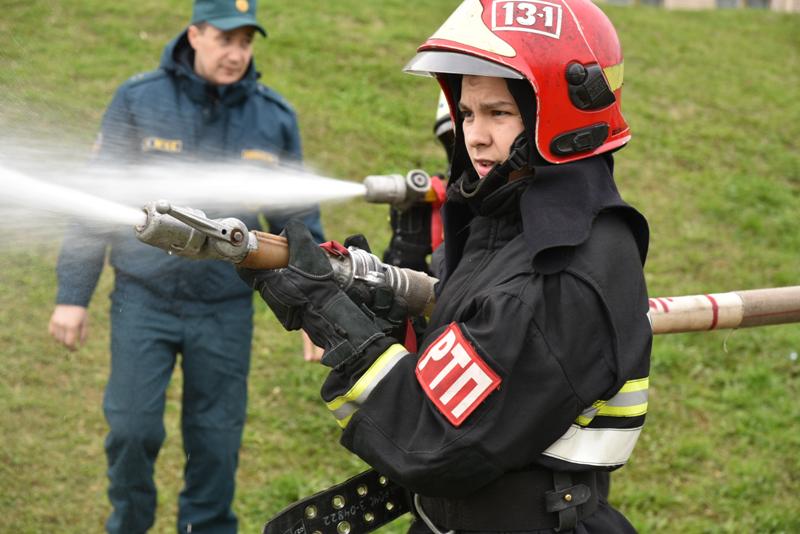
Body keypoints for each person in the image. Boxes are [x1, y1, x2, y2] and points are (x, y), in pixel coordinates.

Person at [242, 0, 650, 532]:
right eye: (469, 113)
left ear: (562, 115)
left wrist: (332, 318)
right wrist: (384, 314)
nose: (474, 135)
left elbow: (436, 442)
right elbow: (459, 368)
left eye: (499, 113)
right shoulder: (508, 226)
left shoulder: (561, 273)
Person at [47, 1, 323, 532]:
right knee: (130, 430)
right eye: (225, 39)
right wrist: (72, 295)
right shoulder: (138, 99)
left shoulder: (274, 118)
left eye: (246, 42)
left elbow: (299, 224)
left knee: (215, 441)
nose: (237, 53)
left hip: (223, 309)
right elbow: (95, 200)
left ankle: (209, 526)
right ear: (195, 34)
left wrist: (315, 311)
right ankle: (129, 523)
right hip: (142, 300)